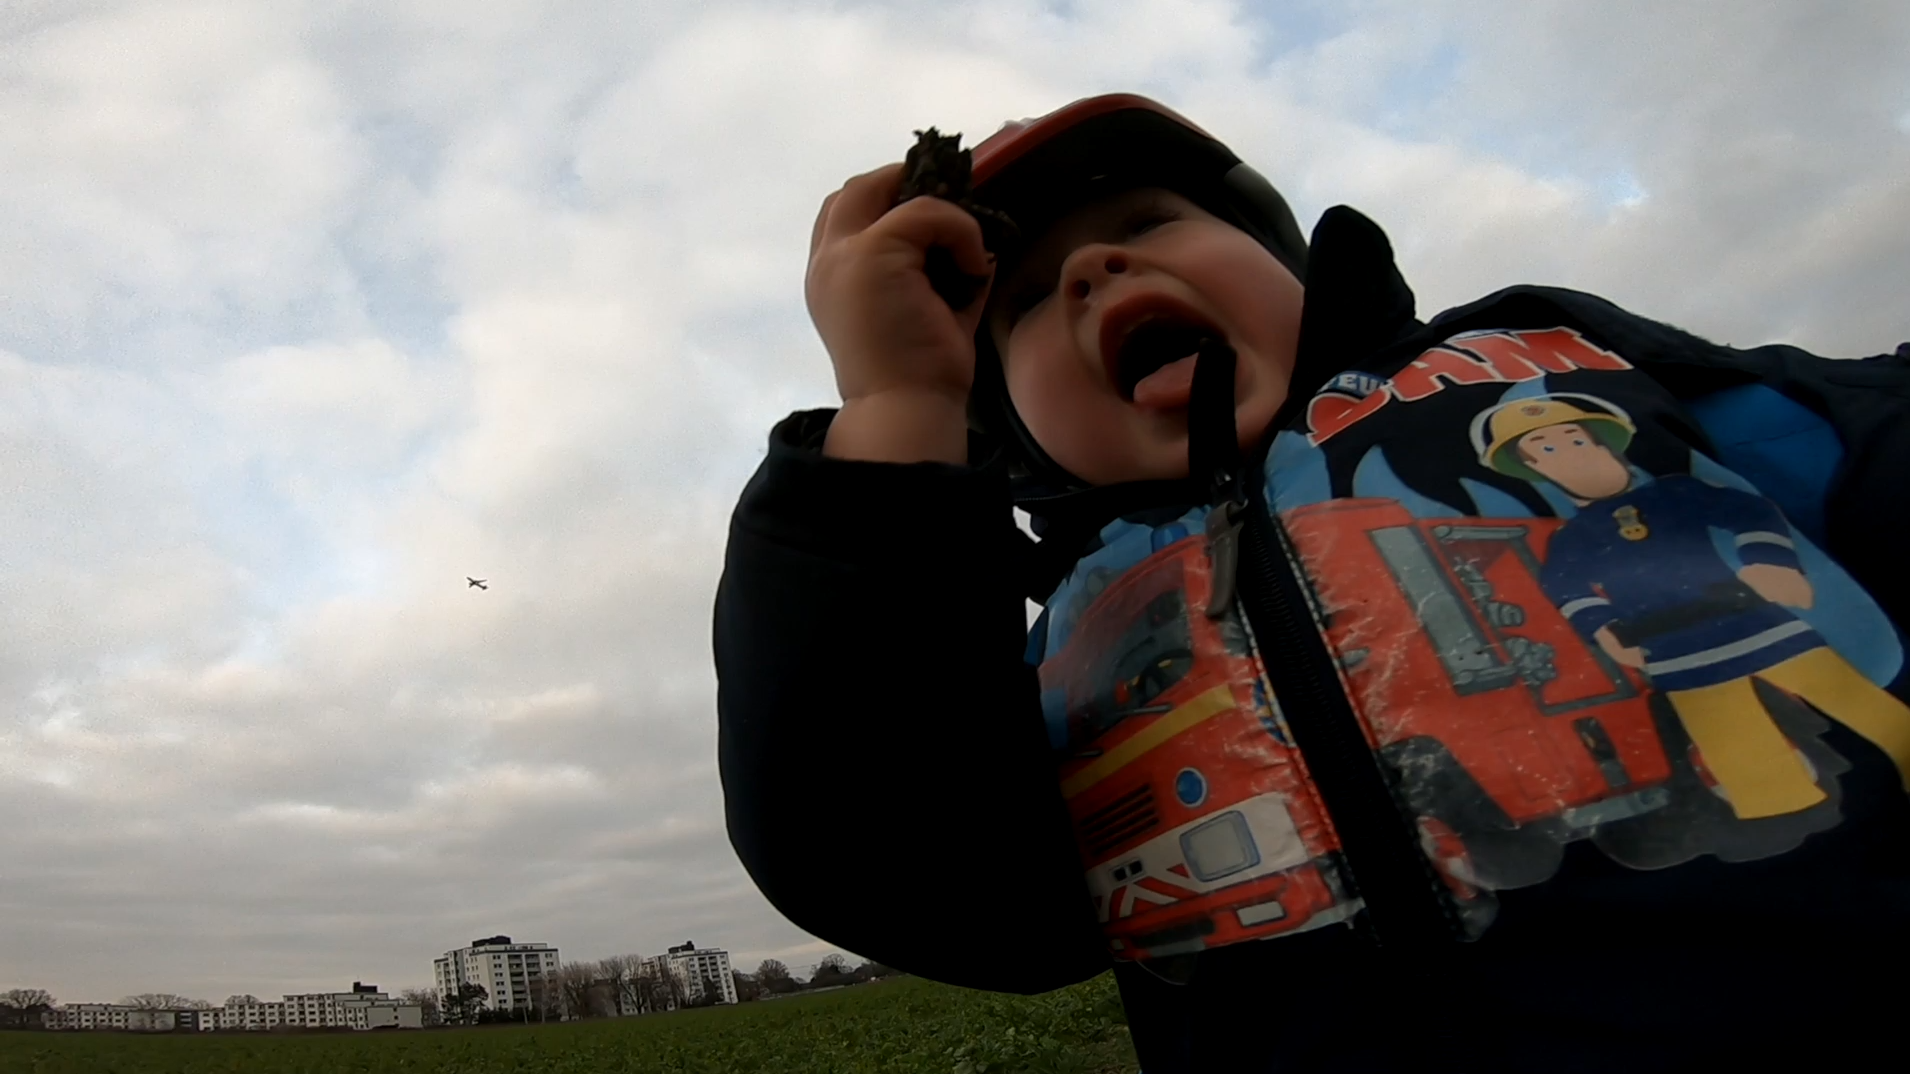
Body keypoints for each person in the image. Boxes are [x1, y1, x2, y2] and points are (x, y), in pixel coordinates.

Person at [714, 94, 1910, 1072]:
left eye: (1149, 218)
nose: (1093, 268)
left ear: (1290, 267)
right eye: (1021, 304)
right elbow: (894, 859)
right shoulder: (1059, 653)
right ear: (1013, 438)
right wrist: (898, 405)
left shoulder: (1547, 373)